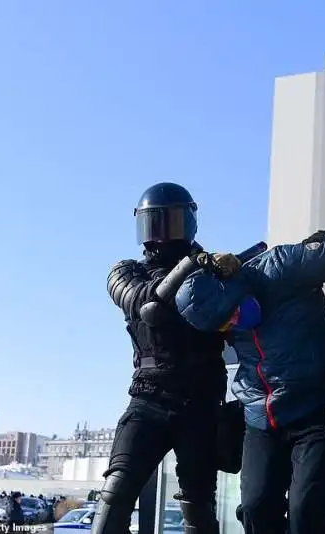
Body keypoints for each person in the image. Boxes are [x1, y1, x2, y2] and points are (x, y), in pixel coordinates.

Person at [174, 228, 325, 534]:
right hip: (262, 418)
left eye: (234, 315)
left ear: (232, 290)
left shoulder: (281, 268)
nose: (234, 324)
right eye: (226, 326)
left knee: (305, 510)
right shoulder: (217, 314)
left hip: (320, 410)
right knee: (255, 508)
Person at [94, 182, 236, 534]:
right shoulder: (126, 271)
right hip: (148, 400)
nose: (160, 236)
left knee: (198, 512)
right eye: (153, 224)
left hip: (201, 406)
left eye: (169, 223)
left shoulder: (213, 272)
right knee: (113, 499)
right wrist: (194, 265)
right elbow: (150, 306)